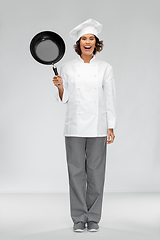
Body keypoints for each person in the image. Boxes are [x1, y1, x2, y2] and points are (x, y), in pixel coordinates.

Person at [52, 19, 116, 232]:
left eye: (91, 38)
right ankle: (79, 217)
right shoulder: (68, 67)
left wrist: (111, 125)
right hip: (74, 127)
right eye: (83, 39)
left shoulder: (105, 68)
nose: (87, 42)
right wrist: (61, 87)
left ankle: (94, 217)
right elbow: (64, 99)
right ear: (78, 43)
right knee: (76, 173)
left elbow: (110, 98)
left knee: (96, 173)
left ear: (96, 42)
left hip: (98, 127)